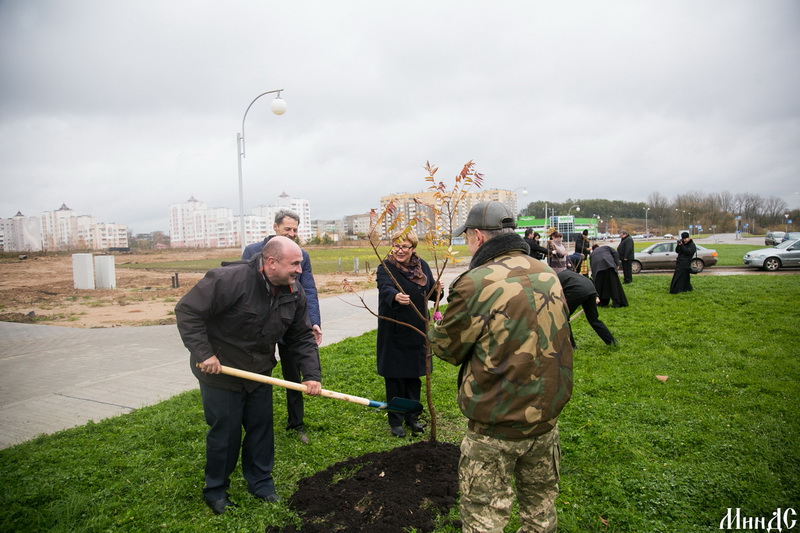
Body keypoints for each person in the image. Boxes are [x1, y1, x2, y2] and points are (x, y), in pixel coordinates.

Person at [428, 201, 573, 533]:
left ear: (478, 236)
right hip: (545, 414)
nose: (467, 242)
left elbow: (448, 348)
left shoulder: (476, 282)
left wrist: (433, 325)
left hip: (496, 423)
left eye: (467, 236)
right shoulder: (546, 272)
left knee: (485, 517)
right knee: (540, 510)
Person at [175, 236, 322, 515]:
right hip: (221, 371)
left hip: (259, 372)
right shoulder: (229, 280)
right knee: (226, 434)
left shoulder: (294, 291)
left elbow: (302, 336)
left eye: (300, 263)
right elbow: (188, 312)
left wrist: (311, 374)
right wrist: (205, 353)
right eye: (294, 263)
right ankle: (216, 490)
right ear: (271, 262)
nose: (300, 270)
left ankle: (261, 483)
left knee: (260, 429)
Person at [242, 209, 321, 444]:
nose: (292, 233)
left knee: (294, 375)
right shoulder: (253, 251)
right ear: (275, 227)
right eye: (287, 228)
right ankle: (253, 422)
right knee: (255, 374)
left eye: (295, 229)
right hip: (261, 326)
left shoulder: (301, 255)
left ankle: (296, 423)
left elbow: (309, 289)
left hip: (289, 322)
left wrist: (313, 322)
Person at [376, 230, 440, 437]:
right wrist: (395, 296)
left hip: (417, 329)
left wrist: (438, 290)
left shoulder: (423, 267)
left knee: (413, 376)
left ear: (413, 248)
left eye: (404, 246)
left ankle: (413, 417)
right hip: (394, 328)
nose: (399, 250)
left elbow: (430, 292)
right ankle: (396, 420)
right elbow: (384, 287)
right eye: (396, 246)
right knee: (395, 378)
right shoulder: (385, 267)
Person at [557, 269, 617, 347]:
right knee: (594, 320)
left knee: (563, 317)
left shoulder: (555, 279)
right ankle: (611, 341)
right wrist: (596, 295)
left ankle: (572, 346)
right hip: (591, 289)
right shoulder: (568, 273)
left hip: (577, 291)